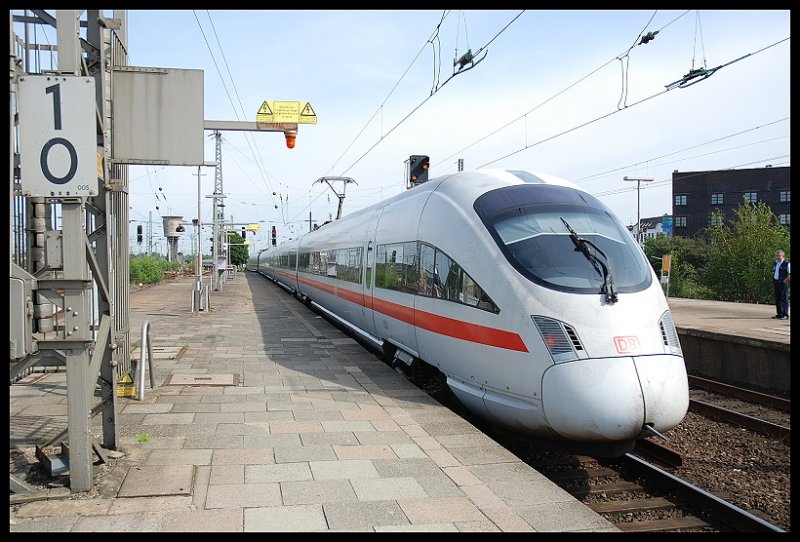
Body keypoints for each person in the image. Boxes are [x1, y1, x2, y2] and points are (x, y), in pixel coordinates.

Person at [772, 249, 790, 320]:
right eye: (777, 255)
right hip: (776, 282)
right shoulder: (776, 263)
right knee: (778, 298)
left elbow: (789, 274)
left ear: (782, 255)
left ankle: (785, 314)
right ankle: (779, 314)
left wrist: (784, 281)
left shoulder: (787, 263)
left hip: (783, 283)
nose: (777, 257)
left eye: (779, 255)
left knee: (783, 298)